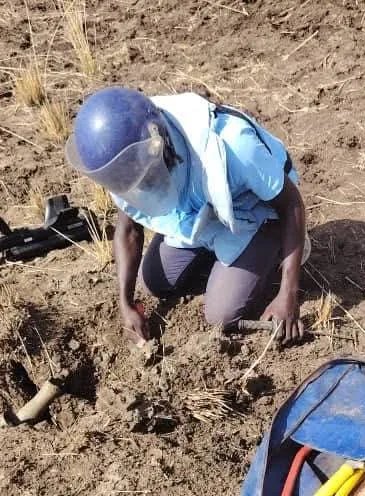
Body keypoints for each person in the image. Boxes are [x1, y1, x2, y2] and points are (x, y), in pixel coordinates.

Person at [65, 87, 308, 345]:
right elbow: (128, 229)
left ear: (158, 147)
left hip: (252, 210)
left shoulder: (233, 146)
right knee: (154, 281)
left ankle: (275, 248)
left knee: (221, 314)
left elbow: (291, 204)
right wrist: (125, 304)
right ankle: (221, 256)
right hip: (198, 213)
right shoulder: (121, 160)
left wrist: (288, 294)